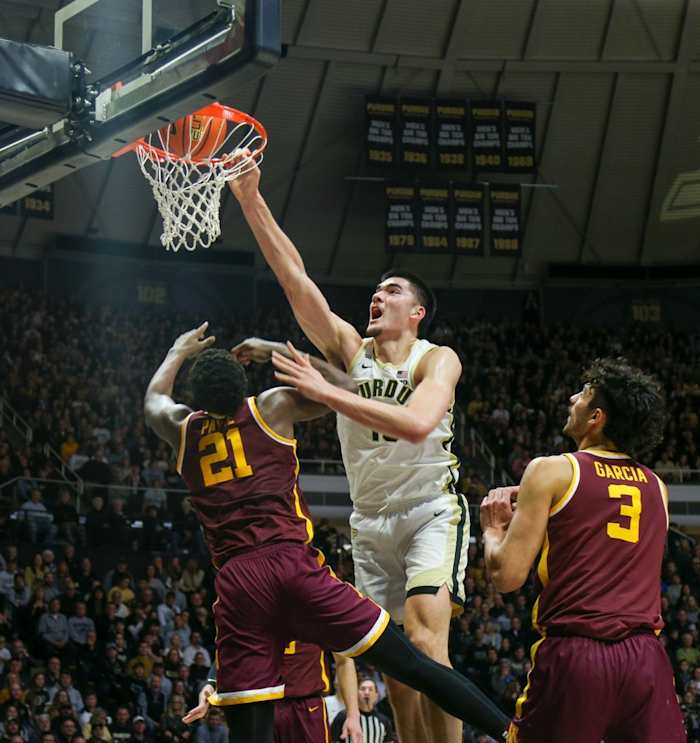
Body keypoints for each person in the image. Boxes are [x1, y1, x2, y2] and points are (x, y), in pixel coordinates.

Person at [144, 323, 509, 743]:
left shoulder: (181, 427)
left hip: (238, 582)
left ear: (197, 398)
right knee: (415, 665)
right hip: (292, 564)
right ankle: (510, 731)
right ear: (242, 382)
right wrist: (272, 350)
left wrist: (175, 350)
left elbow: (154, 399)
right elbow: (348, 386)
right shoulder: (271, 406)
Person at [230, 160, 467, 743]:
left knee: (425, 642)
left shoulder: (436, 358)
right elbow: (295, 278)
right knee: (395, 665)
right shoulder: (350, 351)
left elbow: (416, 425)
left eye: (391, 291)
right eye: (375, 290)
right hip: (369, 521)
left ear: (417, 312)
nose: (376, 296)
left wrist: (324, 389)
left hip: (429, 510)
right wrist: (249, 197)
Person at [480, 358, 685, 743]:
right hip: (646, 660)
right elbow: (601, 519)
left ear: (596, 418)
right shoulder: (657, 486)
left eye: (583, 394)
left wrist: (493, 531)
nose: (573, 398)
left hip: (578, 656)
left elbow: (507, 577)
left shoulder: (551, 470)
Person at [184, 641, 363, 743]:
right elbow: (230, 646)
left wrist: (353, 715)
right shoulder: (252, 593)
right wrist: (211, 683)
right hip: (260, 702)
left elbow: (344, 660)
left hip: (305, 704)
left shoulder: (317, 593)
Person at [331, 678, 395, 743]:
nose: (366, 692)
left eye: (370, 689)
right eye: (363, 689)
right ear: (356, 693)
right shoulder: (344, 716)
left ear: (376, 695)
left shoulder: (384, 721)